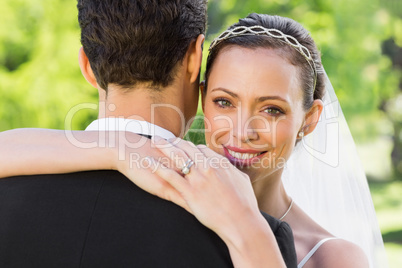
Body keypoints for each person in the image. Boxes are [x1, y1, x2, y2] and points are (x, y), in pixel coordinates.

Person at [0, 12, 386, 267]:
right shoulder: (169, 172)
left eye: (271, 110)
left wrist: (245, 225)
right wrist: (119, 148)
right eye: (224, 102)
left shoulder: (332, 256)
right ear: (201, 95)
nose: (241, 130)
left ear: (310, 119)